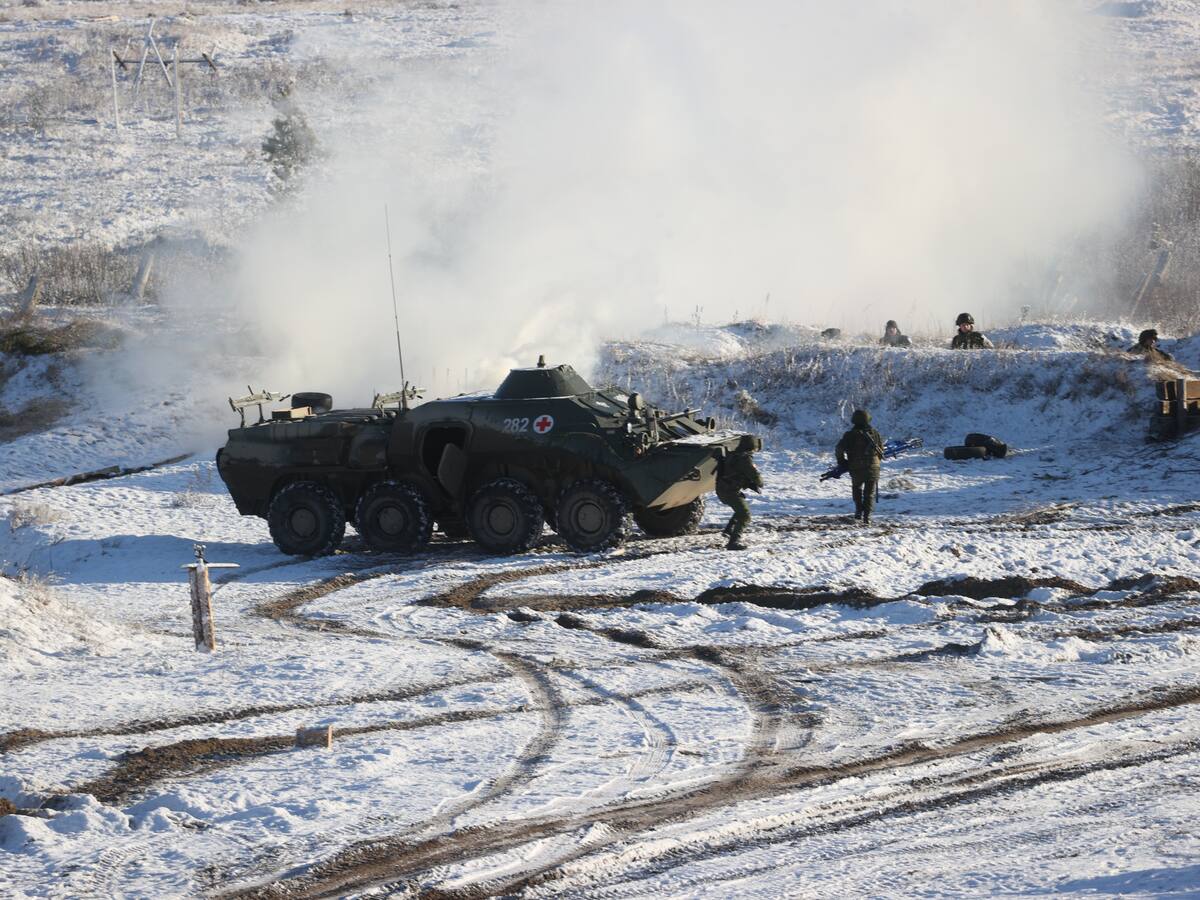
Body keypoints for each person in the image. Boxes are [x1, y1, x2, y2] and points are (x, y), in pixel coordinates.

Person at [835, 409, 884, 525]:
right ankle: (867, 516)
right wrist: (876, 462)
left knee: (857, 488)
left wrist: (842, 462)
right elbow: (881, 450)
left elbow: (839, 449)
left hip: (856, 467)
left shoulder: (849, 435)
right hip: (874, 467)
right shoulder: (875, 434)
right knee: (869, 493)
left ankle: (858, 511)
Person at [716, 435, 763, 551]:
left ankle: (729, 530)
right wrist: (759, 483)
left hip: (724, 488)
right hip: (729, 491)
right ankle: (733, 542)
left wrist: (748, 483)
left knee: (741, 508)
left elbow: (735, 473)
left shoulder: (734, 455)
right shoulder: (744, 459)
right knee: (745, 515)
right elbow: (756, 476)